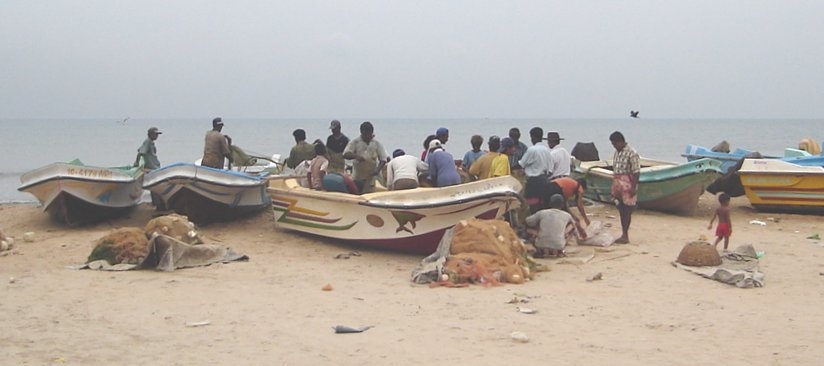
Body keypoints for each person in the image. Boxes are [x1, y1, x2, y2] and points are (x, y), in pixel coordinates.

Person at [609, 131, 640, 244]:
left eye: (615, 144)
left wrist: (633, 187)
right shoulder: (616, 153)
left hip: (627, 184)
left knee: (626, 210)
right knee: (621, 209)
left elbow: (636, 172)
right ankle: (623, 233)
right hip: (618, 183)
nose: (614, 146)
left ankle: (625, 235)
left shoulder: (632, 153)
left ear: (621, 142)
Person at [343, 121, 388, 193]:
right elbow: (345, 154)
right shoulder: (355, 142)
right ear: (361, 132)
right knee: (358, 192)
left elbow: (383, 159)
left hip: (372, 176)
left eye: (369, 134)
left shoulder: (376, 144)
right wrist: (356, 156)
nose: (367, 136)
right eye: (365, 134)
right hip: (358, 175)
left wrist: (377, 170)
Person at [519, 127, 553, 204]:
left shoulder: (532, 150)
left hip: (533, 181)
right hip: (544, 180)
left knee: (531, 205)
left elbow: (521, 164)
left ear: (533, 137)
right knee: (543, 204)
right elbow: (550, 170)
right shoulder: (547, 150)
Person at [136, 127, 165, 210]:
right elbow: (141, 152)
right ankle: (158, 204)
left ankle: (159, 203)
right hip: (151, 168)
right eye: (155, 134)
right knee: (155, 185)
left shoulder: (151, 142)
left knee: (156, 185)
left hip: (155, 167)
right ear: (150, 134)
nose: (157, 136)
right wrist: (137, 164)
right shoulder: (147, 142)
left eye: (157, 134)